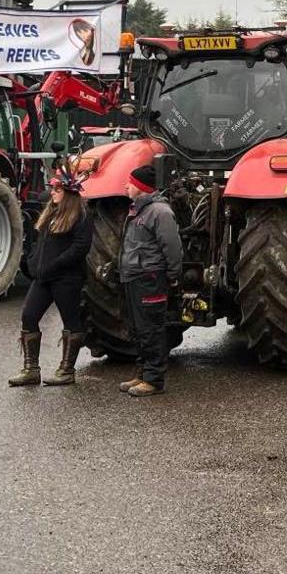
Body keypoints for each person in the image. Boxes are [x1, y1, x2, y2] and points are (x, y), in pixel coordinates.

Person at [10, 167, 95, 387]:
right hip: (43, 277)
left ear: (68, 192)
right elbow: (42, 244)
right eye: (53, 187)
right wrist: (32, 262)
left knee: (70, 321)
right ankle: (31, 370)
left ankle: (66, 370)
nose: (53, 191)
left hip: (66, 278)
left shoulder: (81, 215)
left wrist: (55, 265)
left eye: (57, 188)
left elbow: (80, 248)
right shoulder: (51, 212)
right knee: (29, 316)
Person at [118, 164, 181, 398]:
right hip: (134, 276)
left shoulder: (160, 212)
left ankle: (154, 380)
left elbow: (172, 248)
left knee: (151, 329)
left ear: (141, 188)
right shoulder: (137, 211)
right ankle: (143, 373)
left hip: (150, 277)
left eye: (130, 183)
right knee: (137, 329)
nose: (126, 186)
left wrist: (173, 276)